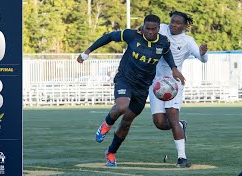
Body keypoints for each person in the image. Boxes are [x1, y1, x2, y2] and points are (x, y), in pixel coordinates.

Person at [77, 14, 185, 167]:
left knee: (126, 123)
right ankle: (106, 125)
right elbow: (109, 37)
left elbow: (166, 53)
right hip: (125, 79)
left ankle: (111, 152)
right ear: (143, 26)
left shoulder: (163, 42)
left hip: (142, 88)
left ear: (159, 29)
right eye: (147, 28)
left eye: (153, 29)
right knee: (122, 106)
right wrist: (88, 51)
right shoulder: (132, 35)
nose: (149, 32)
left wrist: (174, 69)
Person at [148, 11, 208, 168]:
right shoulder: (161, 29)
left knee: (172, 116)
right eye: (172, 21)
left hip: (174, 83)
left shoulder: (188, 41)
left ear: (185, 26)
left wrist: (202, 54)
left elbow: (202, 59)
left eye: (178, 23)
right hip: (155, 83)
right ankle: (181, 125)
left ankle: (182, 158)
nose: (174, 25)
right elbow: (146, 30)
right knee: (160, 123)